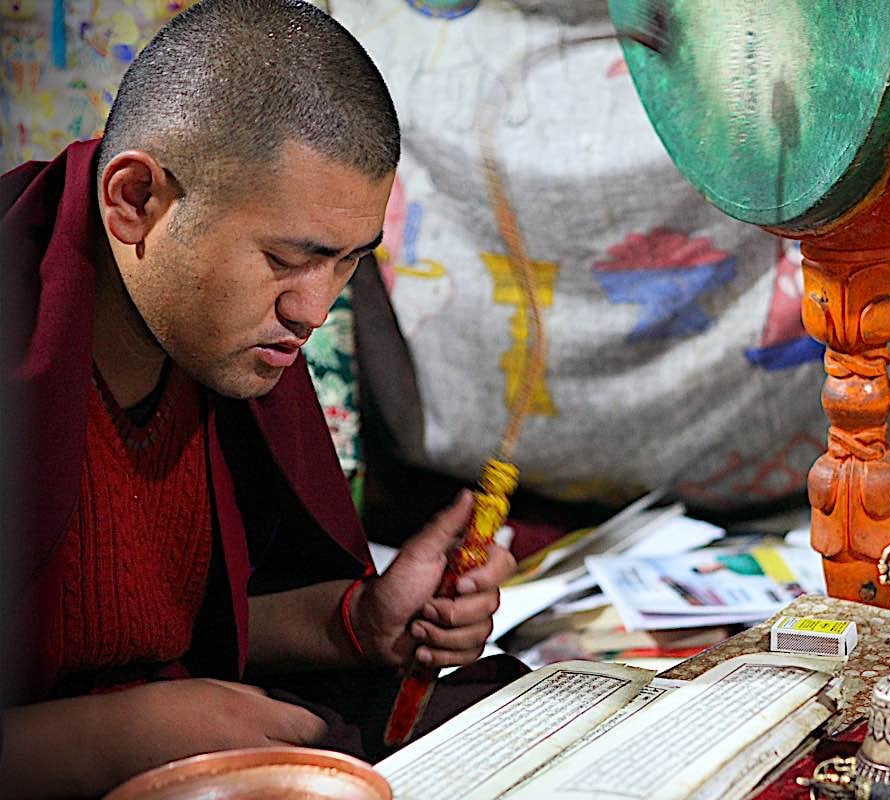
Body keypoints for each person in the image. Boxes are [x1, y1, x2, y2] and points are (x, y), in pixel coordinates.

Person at [0, 1, 516, 796]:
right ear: (136, 199)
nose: (314, 312)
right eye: (287, 259)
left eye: (346, 264)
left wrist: (362, 621)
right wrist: (118, 733)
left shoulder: (213, 338)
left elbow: (187, 625)